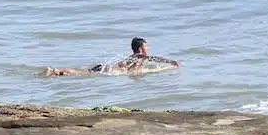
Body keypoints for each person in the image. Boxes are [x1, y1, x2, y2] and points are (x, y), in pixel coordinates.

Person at [42, 37, 181, 76]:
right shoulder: (139, 56)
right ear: (140, 49)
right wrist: (171, 62)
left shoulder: (134, 57)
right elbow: (154, 59)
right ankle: (54, 70)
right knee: (82, 73)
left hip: (106, 68)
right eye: (146, 47)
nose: (148, 49)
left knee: (83, 73)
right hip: (108, 70)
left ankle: (57, 72)